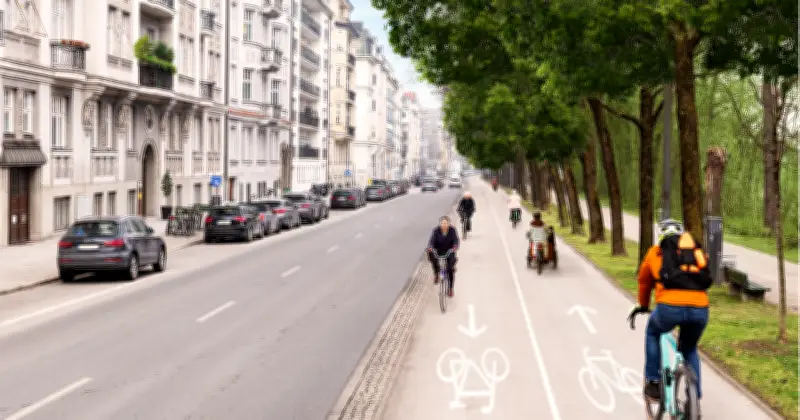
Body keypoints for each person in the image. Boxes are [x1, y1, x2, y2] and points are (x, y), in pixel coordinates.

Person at [628, 219, 710, 409]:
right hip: (700, 310)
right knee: (689, 348)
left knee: (652, 333)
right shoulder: (694, 253)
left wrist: (643, 304)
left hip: (668, 309)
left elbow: (643, 281)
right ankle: (694, 398)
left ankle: (653, 382)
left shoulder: (655, 253)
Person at [427, 216, 460, 297]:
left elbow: (456, 240)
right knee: (432, 256)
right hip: (438, 250)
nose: (444, 225)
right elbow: (432, 240)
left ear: (448, 224)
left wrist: (455, 246)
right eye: (442, 223)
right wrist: (431, 247)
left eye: (446, 223)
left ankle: (450, 289)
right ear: (440, 224)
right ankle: (436, 274)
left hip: (449, 251)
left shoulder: (452, 230)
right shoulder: (436, 231)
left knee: (450, 270)